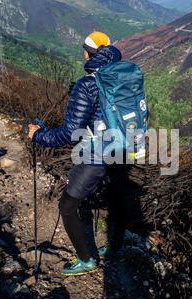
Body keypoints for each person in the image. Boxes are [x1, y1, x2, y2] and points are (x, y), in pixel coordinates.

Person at [28, 32, 129, 276]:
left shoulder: (88, 84)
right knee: (115, 198)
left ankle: (87, 260)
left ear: (88, 53)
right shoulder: (122, 76)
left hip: (96, 155)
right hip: (122, 148)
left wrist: (38, 135)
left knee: (67, 206)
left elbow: (69, 134)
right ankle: (115, 247)